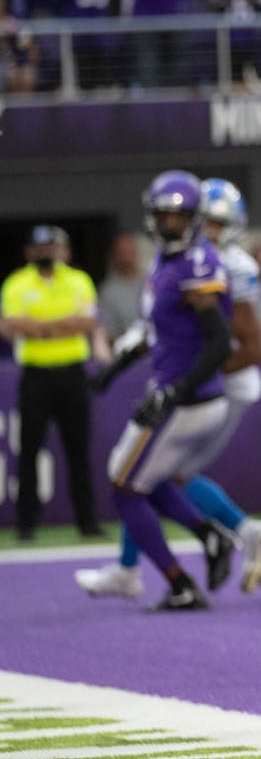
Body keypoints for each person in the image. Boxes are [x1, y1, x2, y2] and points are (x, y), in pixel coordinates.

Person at [77, 179, 261, 600]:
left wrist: (182, 386)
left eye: (219, 223)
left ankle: (227, 537)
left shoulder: (213, 265)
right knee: (149, 474)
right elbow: (153, 327)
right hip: (191, 383)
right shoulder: (173, 258)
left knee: (147, 478)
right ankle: (184, 550)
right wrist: (117, 368)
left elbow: (240, 345)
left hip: (213, 386)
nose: (173, 225)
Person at [0, 225, 103, 541]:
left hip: (72, 374)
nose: (46, 253)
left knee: (79, 450)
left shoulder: (78, 279)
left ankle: (87, 523)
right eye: (39, 248)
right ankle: (26, 525)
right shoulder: (16, 283)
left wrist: (40, 327)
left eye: (51, 247)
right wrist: (61, 326)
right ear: (29, 252)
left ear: (61, 250)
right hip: (36, 376)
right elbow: (12, 326)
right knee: (29, 449)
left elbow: (86, 322)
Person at [97, 232, 145, 341]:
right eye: (122, 252)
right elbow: (107, 333)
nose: (127, 257)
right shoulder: (107, 291)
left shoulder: (151, 281)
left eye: (130, 251)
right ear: (114, 255)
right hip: (129, 353)